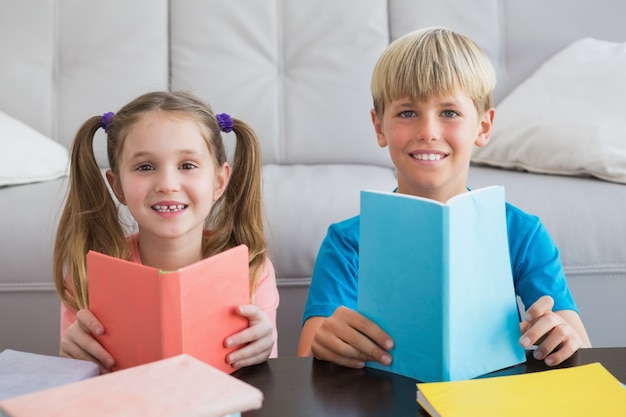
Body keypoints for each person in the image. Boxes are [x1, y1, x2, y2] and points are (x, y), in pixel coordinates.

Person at [297, 27, 591, 369]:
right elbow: (306, 358)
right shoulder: (347, 242)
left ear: (483, 126)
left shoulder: (522, 233)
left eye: (449, 113)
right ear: (380, 127)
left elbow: (580, 348)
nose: (428, 132)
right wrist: (326, 342)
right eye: (408, 113)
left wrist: (563, 336)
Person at [53, 91, 279, 374]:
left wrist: (264, 347)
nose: (167, 184)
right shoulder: (87, 277)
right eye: (145, 167)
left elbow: (263, 380)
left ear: (219, 182)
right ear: (118, 186)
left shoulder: (251, 269)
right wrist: (71, 363)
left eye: (187, 165)